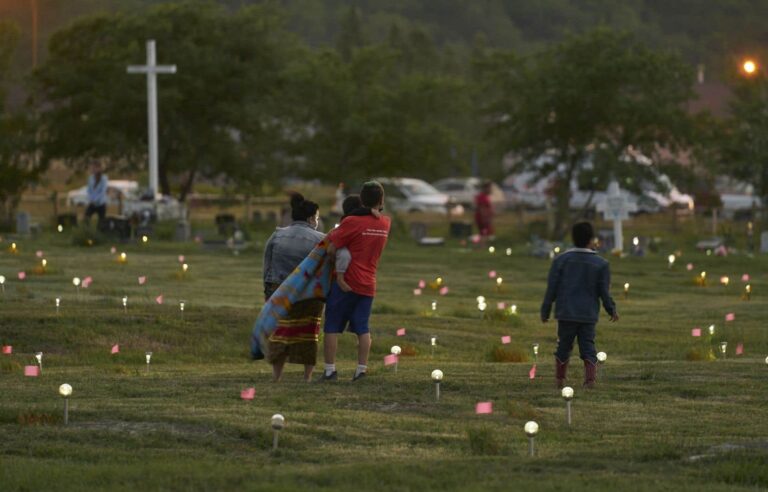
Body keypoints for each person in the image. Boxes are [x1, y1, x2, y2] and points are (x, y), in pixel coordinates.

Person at [322, 181, 390, 382]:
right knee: (362, 327)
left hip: (346, 281)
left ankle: (330, 371)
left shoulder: (351, 222)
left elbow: (332, 247)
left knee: (332, 326)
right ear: (381, 200)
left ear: (362, 199)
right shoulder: (385, 223)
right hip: (368, 283)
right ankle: (361, 370)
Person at [540, 222, 619, 389]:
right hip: (588, 313)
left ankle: (560, 379)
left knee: (564, 345)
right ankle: (590, 380)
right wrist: (611, 308)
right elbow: (603, 291)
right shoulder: (601, 264)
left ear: (573, 237)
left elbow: (552, 287)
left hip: (566, 312)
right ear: (591, 240)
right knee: (588, 345)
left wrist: (545, 309)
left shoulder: (561, 260)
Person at [262, 193, 325, 382]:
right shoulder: (321, 239)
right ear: (310, 218)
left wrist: (267, 292)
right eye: (317, 217)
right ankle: (307, 376)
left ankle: (277, 376)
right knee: (308, 334)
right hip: (308, 294)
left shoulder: (277, 234)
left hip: (279, 290)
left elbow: (267, 264)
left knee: (280, 333)